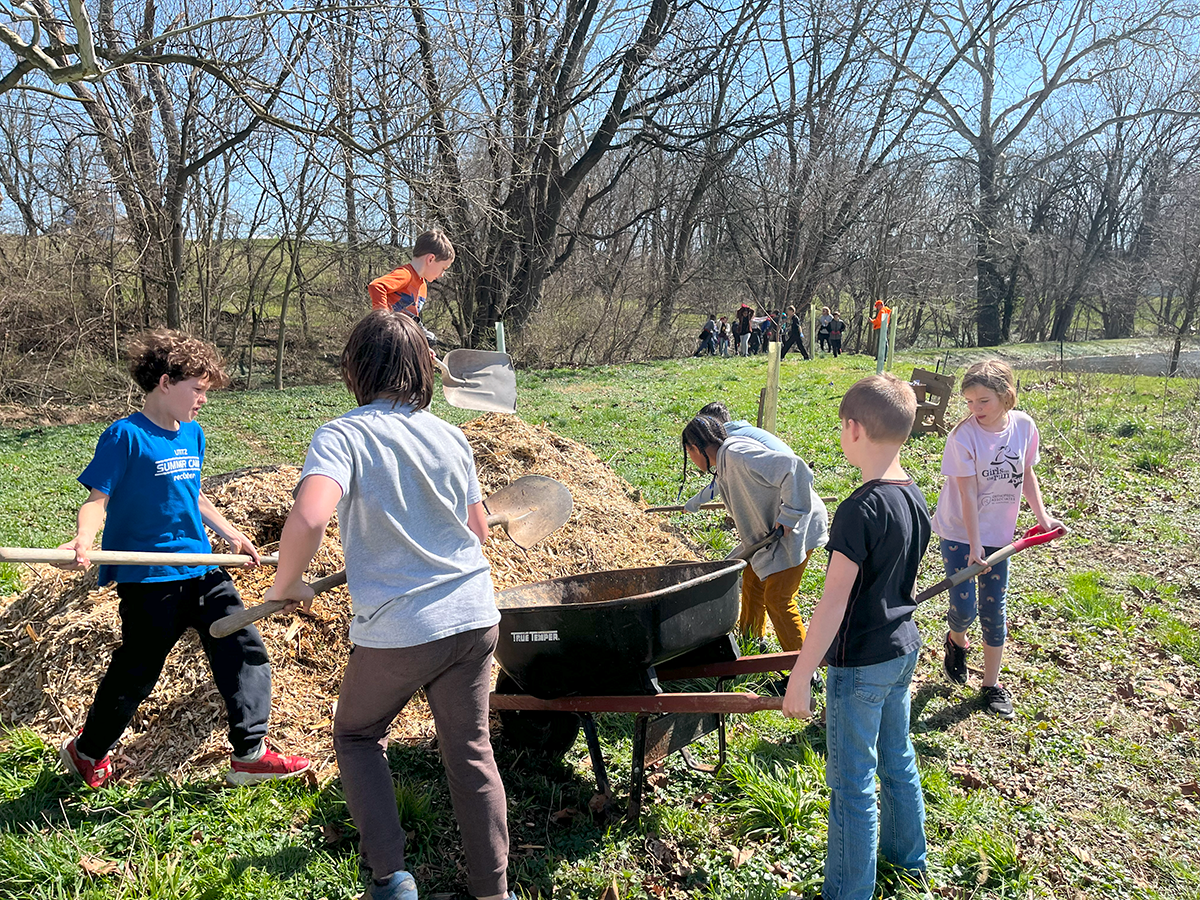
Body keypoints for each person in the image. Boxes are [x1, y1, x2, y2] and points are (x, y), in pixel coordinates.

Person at [262, 311, 514, 900]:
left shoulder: (342, 436)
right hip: (474, 614)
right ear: (421, 370)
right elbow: (476, 532)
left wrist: (285, 584)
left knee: (355, 734)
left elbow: (309, 515)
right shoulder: (451, 436)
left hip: (403, 626)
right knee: (470, 749)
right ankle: (493, 891)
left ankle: (392, 879)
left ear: (357, 366)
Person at [56, 329, 309, 789]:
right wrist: (82, 539)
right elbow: (98, 500)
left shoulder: (192, 434)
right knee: (138, 669)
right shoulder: (125, 437)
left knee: (242, 646)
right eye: (197, 389)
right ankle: (87, 751)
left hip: (202, 568)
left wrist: (230, 534)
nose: (202, 401)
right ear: (166, 383)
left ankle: (250, 753)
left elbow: (192, 495)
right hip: (149, 577)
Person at [781, 374, 931, 900]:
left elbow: (833, 601)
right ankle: (909, 861)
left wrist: (801, 677)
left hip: (860, 663)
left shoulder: (858, 510)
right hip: (901, 649)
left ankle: (848, 893)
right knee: (898, 757)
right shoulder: (912, 498)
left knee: (852, 785)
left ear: (853, 430)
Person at [933, 359, 1064, 719]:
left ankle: (991, 684)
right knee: (964, 609)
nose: (975, 410)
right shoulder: (963, 436)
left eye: (983, 401)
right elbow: (967, 494)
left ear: (1006, 396)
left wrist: (1042, 517)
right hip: (961, 532)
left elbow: (1026, 474)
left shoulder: (1023, 427)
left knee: (993, 609)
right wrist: (975, 545)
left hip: (999, 536)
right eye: (970, 402)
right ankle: (956, 641)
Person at [680, 415, 827, 652]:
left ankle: (804, 672)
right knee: (751, 578)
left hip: (800, 523)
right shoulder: (725, 460)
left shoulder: (737, 454)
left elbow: (795, 467)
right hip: (774, 532)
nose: (693, 461)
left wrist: (789, 515)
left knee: (778, 598)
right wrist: (695, 502)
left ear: (695, 448)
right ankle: (751, 644)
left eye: (689, 454)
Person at [681, 402, 792, 513]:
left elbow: (719, 482)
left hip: (786, 491)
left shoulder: (731, 446)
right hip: (788, 484)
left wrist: (693, 503)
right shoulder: (740, 431)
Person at [368, 228, 455, 345]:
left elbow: (412, 319)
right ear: (430, 259)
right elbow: (377, 286)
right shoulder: (406, 274)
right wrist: (383, 321)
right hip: (388, 336)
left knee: (430, 339)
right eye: (443, 268)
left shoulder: (422, 285)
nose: (442, 274)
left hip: (402, 337)